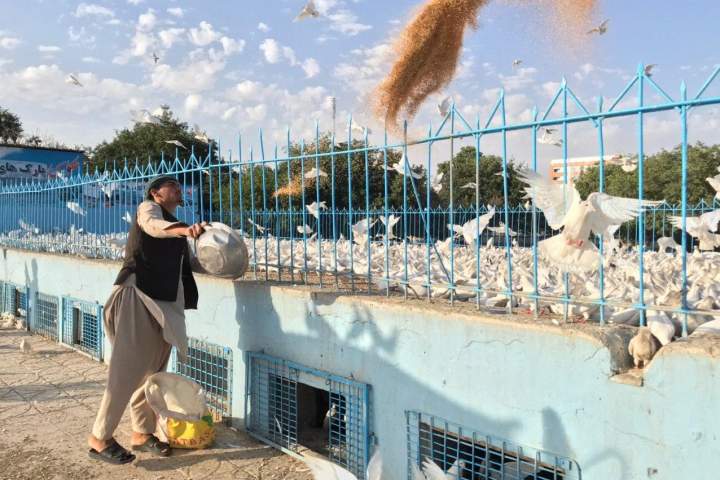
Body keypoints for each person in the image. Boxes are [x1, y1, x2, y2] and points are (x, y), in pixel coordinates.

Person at [87, 175, 207, 464]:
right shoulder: (148, 210)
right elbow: (155, 228)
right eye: (171, 185)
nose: (178, 189)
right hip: (137, 295)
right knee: (127, 370)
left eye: (180, 186)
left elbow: (191, 264)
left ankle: (142, 432)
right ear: (155, 193)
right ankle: (99, 438)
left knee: (152, 371)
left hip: (164, 304)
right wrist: (183, 230)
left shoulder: (179, 229)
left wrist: (218, 252)